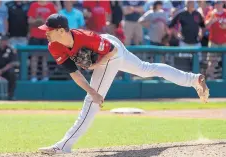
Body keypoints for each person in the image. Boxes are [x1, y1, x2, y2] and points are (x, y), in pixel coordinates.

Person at [37, 14, 209, 154]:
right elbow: (75, 73)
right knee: (145, 69)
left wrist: (96, 70)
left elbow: (111, 51)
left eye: (49, 30)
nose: (45, 32)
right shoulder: (54, 45)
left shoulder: (86, 38)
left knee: (91, 102)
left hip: (110, 51)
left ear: (61, 30)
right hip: (106, 44)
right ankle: (193, 79)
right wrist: (93, 91)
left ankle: (64, 145)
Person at [27, 1, 57, 82]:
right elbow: (30, 21)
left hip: (46, 36)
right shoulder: (34, 5)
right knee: (34, 57)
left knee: (45, 58)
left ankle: (45, 77)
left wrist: (41, 22)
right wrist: (39, 21)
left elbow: (54, 22)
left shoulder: (51, 6)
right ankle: (33, 77)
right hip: (35, 36)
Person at [0, 34, 17, 100]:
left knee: (12, 74)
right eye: (1, 40)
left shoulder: (10, 49)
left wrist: (2, 70)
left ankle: (10, 95)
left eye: (4, 40)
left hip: (5, 69)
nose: (2, 42)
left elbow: (12, 63)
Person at [205, 0, 226, 79]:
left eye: (219, 3)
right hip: (213, 41)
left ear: (222, 4)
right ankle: (210, 80)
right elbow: (206, 26)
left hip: (224, 42)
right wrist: (211, 21)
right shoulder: (211, 13)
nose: (218, 5)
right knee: (211, 62)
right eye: (216, 3)